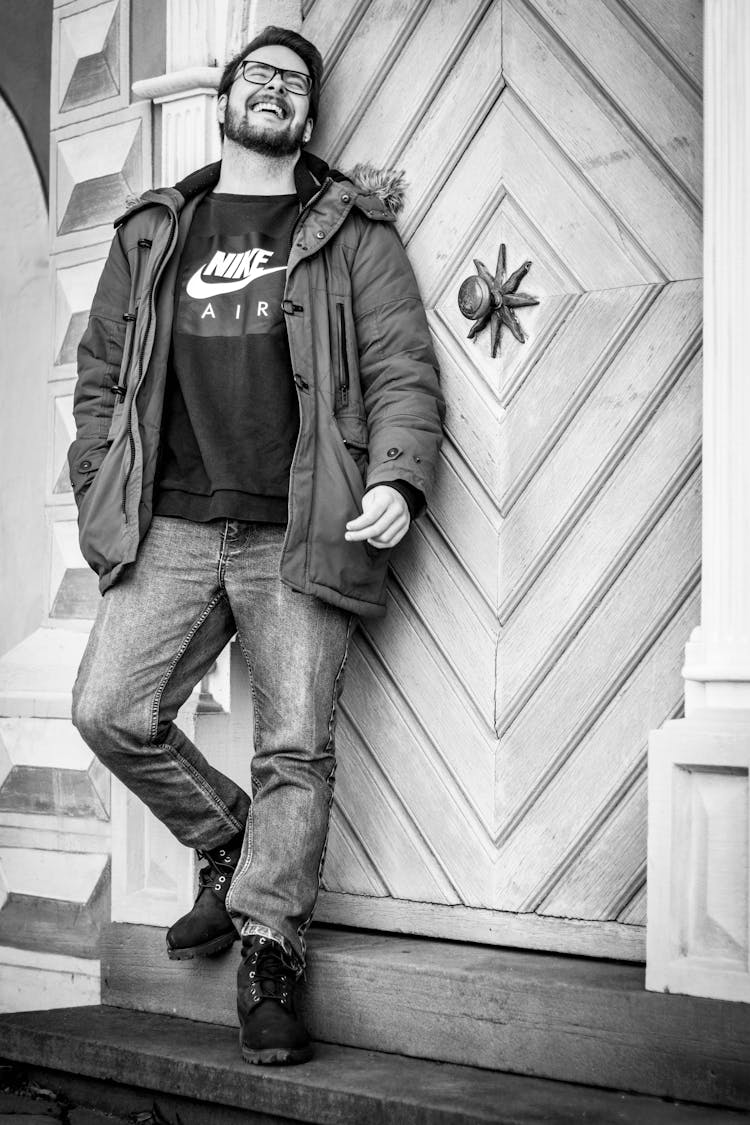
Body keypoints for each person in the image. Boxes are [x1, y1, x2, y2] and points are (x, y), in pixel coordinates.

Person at [69, 25, 444, 1066]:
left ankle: (270, 949)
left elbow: (404, 366)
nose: (274, 90)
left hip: (301, 525)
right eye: (258, 75)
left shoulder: (350, 231)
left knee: (296, 748)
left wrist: (397, 478)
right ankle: (227, 840)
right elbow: (102, 375)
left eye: (294, 83)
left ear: (308, 120)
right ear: (225, 99)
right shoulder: (154, 229)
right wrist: (99, 474)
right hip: (175, 521)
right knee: (108, 710)